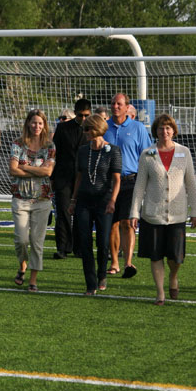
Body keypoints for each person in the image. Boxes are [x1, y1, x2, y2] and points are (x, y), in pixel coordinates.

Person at [130, 114, 196, 305]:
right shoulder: (147, 154)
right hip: (152, 214)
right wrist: (134, 212)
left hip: (177, 214)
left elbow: (191, 184)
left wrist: (195, 211)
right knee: (156, 254)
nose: (165, 131)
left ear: (174, 130)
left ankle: (173, 277)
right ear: (156, 131)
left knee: (176, 257)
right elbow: (139, 186)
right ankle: (160, 292)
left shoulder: (184, 152)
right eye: (161, 128)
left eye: (168, 128)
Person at [69, 114, 121, 295]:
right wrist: (73, 200)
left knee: (103, 241)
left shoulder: (113, 150)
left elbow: (116, 179)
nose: (84, 133)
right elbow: (79, 176)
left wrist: (113, 200)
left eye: (87, 129)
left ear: (96, 129)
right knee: (84, 242)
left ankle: (101, 275)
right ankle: (90, 284)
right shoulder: (83, 151)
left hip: (104, 201)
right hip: (84, 200)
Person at [105, 93, 152, 278]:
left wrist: (146, 182)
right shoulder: (104, 127)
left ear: (127, 107)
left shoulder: (137, 128)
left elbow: (147, 155)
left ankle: (128, 263)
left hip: (130, 182)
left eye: (119, 104)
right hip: (108, 183)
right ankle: (114, 262)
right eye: (113, 103)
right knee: (111, 224)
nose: (115, 106)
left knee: (127, 222)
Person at [9, 109, 56, 292]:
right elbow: (12, 170)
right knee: (21, 239)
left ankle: (33, 279)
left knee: (37, 241)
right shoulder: (17, 144)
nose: (37, 126)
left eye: (40, 123)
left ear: (44, 125)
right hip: (20, 198)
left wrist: (25, 167)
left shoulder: (49, 146)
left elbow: (48, 172)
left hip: (42, 200)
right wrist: (36, 169)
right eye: (34, 122)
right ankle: (22, 265)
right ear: (28, 123)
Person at [50, 98, 91, 259]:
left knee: (81, 213)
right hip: (63, 177)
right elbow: (54, 154)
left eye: (86, 115)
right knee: (63, 211)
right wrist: (52, 177)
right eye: (80, 115)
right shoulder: (62, 128)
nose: (83, 119)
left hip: (85, 177)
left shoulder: (93, 129)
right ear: (75, 113)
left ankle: (79, 248)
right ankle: (63, 247)